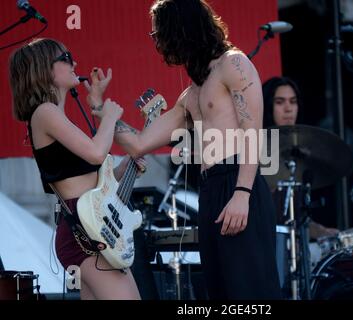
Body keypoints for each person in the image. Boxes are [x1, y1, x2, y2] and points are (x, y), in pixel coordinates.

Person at [87, 0, 281, 300]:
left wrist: (242, 194)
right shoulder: (191, 93)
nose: (155, 41)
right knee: (220, 292)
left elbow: (252, 132)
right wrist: (100, 108)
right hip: (211, 189)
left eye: (158, 33)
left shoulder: (234, 64)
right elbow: (140, 143)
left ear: (180, 29)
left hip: (239, 181)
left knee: (251, 292)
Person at [9, 38, 144, 300]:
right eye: (66, 58)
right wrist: (107, 114)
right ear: (45, 69)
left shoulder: (55, 116)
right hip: (84, 232)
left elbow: (95, 182)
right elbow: (96, 152)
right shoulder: (45, 112)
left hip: (88, 227)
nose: (75, 64)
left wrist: (127, 166)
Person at [262, 76, 339, 239]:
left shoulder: (297, 158)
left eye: (293, 101)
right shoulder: (254, 154)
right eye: (280, 102)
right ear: (267, 107)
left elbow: (296, 221)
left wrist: (323, 232)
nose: (288, 109)